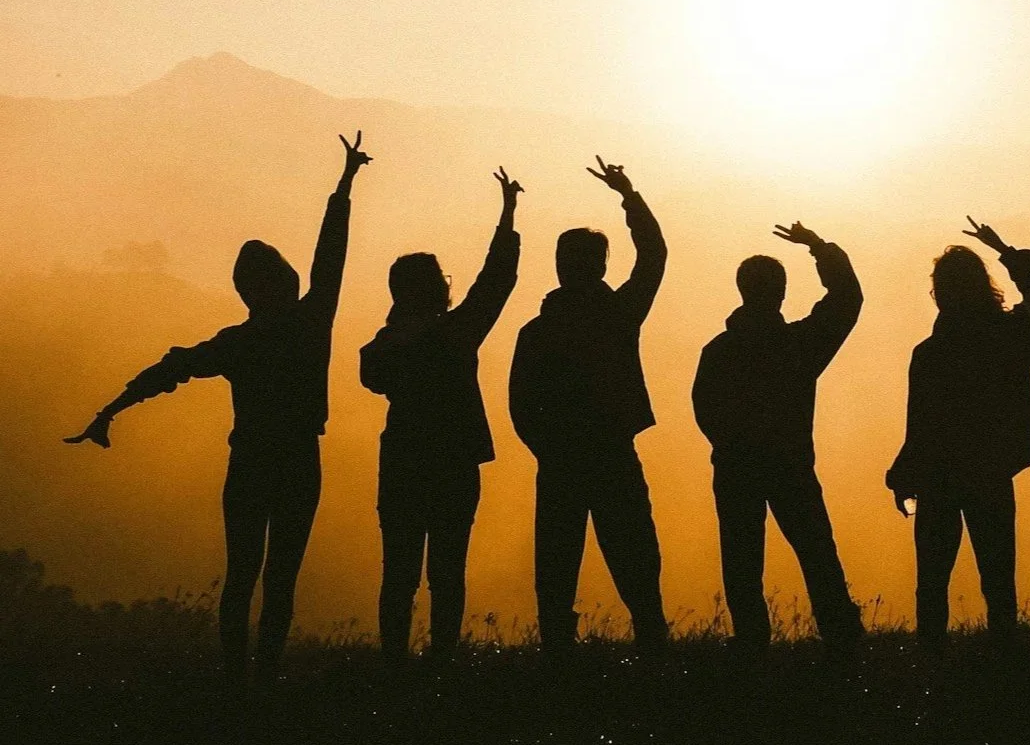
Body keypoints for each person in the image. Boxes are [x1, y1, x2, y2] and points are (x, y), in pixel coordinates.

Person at [65, 132, 373, 679]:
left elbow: (169, 369)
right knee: (278, 578)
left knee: (244, 576)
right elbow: (332, 256)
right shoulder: (308, 323)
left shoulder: (239, 342)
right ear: (283, 283)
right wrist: (344, 186)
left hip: (252, 463)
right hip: (297, 462)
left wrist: (109, 411)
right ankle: (263, 677)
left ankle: (238, 682)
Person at [360, 167, 523, 664]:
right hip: (454, 464)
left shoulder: (385, 346)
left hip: (403, 462)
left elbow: (371, 375)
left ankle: (394, 662)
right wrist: (508, 216)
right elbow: (496, 282)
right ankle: (444, 660)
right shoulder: (457, 333)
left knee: (399, 572)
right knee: (448, 571)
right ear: (437, 289)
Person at [509, 157, 669, 654]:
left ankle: (557, 648)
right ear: (600, 266)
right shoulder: (617, 314)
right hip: (611, 453)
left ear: (560, 265)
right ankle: (652, 641)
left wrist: (546, 446)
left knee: (556, 560)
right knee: (634, 555)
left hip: (559, 460)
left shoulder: (538, 331)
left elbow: (520, 404)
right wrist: (628, 193)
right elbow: (654, 255)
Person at [692, 221, 865, 656]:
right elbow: (848, 298)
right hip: (790, 464)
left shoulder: (719, 350)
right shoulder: (799, 344)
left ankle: (752, 640)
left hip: (735, 466)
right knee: (816, 550)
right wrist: (818, 247)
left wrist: (731, 444)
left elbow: (704, 409)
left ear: (741, 290)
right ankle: (841, 633)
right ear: (781, 293)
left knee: (741, 558)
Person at [886, 219, 1030, 650]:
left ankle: (931, 660)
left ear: (939, 293)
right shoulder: (1014, 335)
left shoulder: (929, 354)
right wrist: (1003, 248)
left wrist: (902, 476)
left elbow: (920, 425)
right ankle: (1004, 657)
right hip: (991, 471)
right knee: (998, 574)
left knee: (932, 580)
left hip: (939, 478)